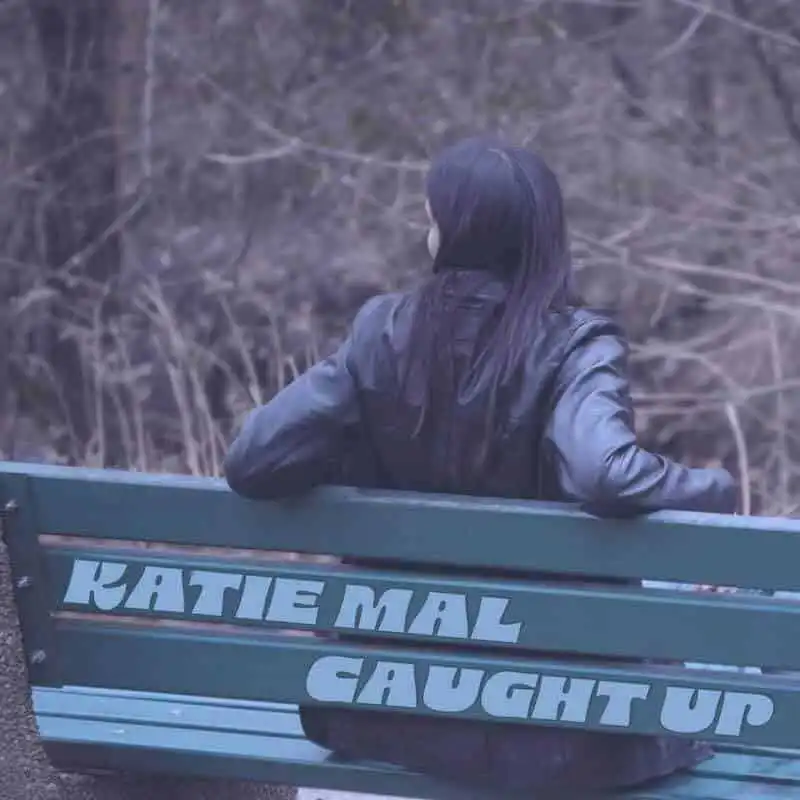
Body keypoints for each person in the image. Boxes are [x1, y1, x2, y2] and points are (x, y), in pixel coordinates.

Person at [224, 137, 738, 794]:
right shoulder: (575, 345)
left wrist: (359, 456)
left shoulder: (382, 333)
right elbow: (605, 473)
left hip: (383, 710)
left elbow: (254, 461)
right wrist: (713, 489)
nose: (427, 229)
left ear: (456, 232)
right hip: (556, 730)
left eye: (433, 215)